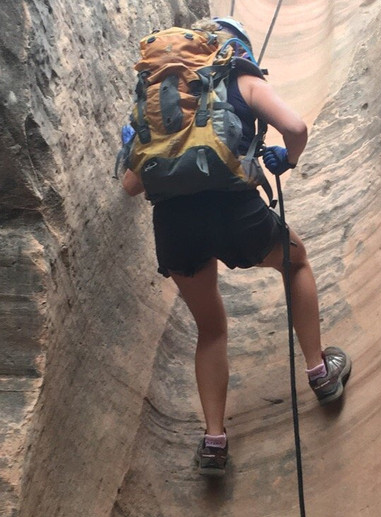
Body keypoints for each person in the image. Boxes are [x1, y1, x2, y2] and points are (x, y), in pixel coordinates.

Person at [120, 17, 351, 476]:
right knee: (296, 262)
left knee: (212, 329)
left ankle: (214, 442)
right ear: (235, 47)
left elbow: (131, 186)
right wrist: (287, 157)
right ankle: (320, 372)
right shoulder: (241, 76)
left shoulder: (158, 97)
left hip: (175, 225)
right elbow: (296, 126)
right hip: (236, 213)